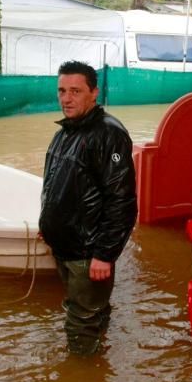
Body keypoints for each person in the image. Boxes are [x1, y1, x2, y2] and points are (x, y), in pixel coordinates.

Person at [39, 61, 137, 356]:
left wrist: (104, 255)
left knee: (81, 321)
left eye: (75, 91)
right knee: (86, 310)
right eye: (61, 91)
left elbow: (122, 200)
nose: (66, 98)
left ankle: (84, 381)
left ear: (94, 93)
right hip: (66, 246)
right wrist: (48, 227)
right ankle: (97, 353)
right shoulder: (65, 132)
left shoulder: (109, 135)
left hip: (88, 251)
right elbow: (55, 187)